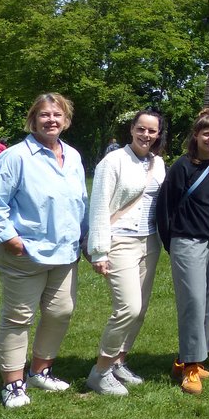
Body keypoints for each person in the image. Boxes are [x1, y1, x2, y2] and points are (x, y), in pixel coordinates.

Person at [0, 93, 88, 409]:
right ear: (33, 119)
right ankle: (13, 384)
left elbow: (79, 201)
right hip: (23, 254)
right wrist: (10, 238)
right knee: (18, 317)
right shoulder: (15, 157)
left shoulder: (74, 156)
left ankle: (40, 370)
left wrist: (84, 239)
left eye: (57, 114)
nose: (51, 120)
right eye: (44, 115)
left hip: (65, 253)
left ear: (65, 120)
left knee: (60, 311)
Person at [85, 109, 167, 396]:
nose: (146, 135)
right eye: (141, 129)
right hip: (119, 241)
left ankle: (119, 362)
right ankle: (99, 371)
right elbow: (98, 205)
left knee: (140, 310)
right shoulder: (113, 161)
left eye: (152, 131)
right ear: (132, 129)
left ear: (158, 134)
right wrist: (99, 252)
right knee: (127, 308)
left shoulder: (158, 163)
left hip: (150, 241)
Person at [157, 108, 209, 395]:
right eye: (206, 133)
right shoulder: (182, 167)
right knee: (193, 302)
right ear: (196, 136)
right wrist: (171, 242)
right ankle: (189, 367)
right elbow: (164, 207)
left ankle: (191, 358)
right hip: (186, 242)